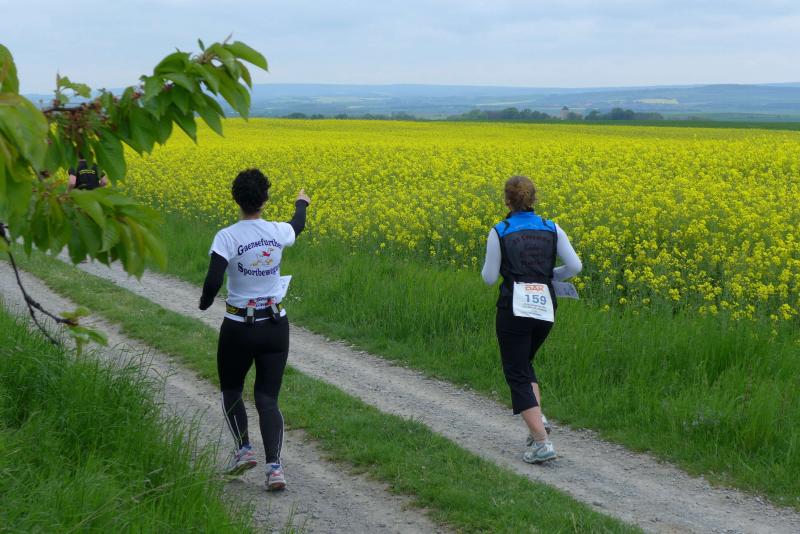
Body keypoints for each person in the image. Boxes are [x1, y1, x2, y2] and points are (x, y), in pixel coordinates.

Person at [199, 168, 310, 491]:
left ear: (236, 199)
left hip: (239, 327)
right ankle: (274, 468)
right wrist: (302, 202)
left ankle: (244, 450)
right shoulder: (277, 231)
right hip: (275, 325)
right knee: (267, 398)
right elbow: (297, 225)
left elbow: (213, 279)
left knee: (232, 389)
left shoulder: (227, 236)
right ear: (266, 198)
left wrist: (205, 302)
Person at [481, 175, 582, 464]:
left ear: (507, 201)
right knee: (524, 364)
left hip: (513, 308)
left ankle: (541, 443)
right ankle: (538, 418)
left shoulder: (500, 231)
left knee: (516, 372)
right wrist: (547, 276)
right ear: (534, 198)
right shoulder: (552, 228)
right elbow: (575, 266)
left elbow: (489, 278)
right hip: (546, 308)